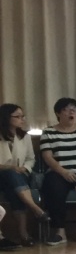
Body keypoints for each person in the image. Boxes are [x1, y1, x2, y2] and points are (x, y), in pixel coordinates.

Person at [39, 97, 76, 245]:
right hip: (59, 173)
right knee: (52, 186)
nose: (71, 113)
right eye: (66, 110)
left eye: (74, 110)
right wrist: (64, 172)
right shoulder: (48, 132)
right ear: (58, 113)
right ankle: (60, 232)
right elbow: (47, 157)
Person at [0, 103, 46, 246]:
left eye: (23, 116)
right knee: (11, 175)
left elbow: (31, 158)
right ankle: (33, 214)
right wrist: (10, 167)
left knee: (13, 184)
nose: (22, 119)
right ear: (6, 117)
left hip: (20, 175)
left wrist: (25, 168)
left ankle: (24, 233)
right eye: (18, 116)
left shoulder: (24, 136)